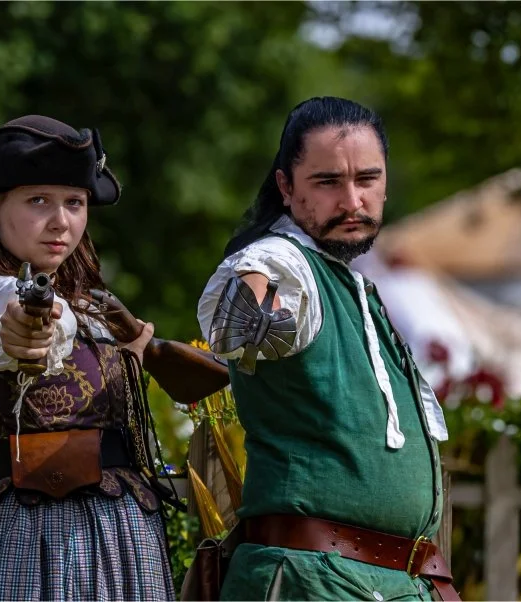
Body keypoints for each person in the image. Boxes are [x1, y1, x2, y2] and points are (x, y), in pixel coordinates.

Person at [197, 97, 459, 601]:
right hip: (310, 580)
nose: (352, 201)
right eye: (327, 182)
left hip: (393, 583)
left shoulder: (356, 285)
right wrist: (254, 295)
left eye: (367, 179)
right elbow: (241, 313)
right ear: (285, 187)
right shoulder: (283, 262)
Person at [0, 115, 176, 601]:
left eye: (74, 203)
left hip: (125, 531)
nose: (61, 221)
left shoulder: (95, 304)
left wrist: (138, 351)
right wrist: (32, 326)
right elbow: (17, 318)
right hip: (38, 538)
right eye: (39, 200)